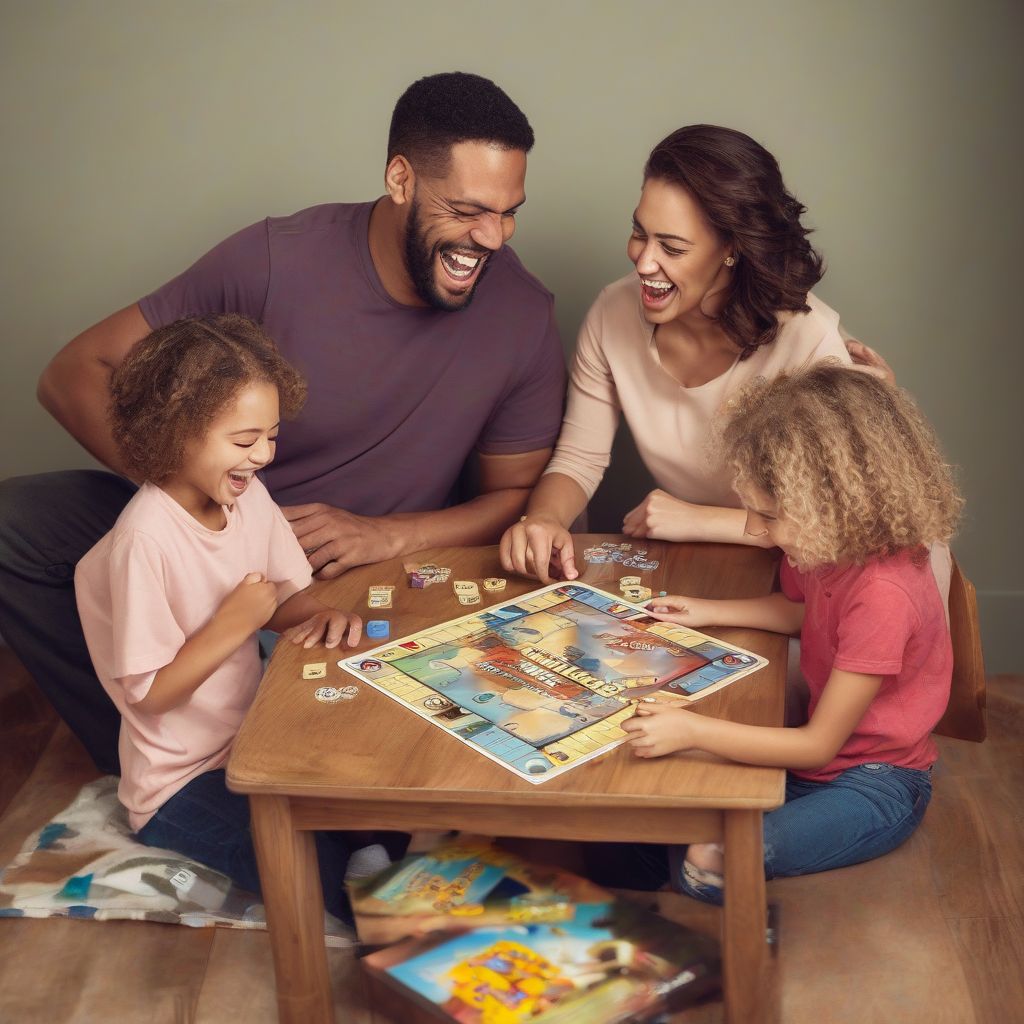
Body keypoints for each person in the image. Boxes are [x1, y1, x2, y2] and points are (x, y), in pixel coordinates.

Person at [1, 71, 565, 773]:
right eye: (467, 209)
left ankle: (236, 757)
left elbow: (514, 499)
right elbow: (72, 373)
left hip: (347, 577)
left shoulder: (523, 316)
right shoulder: (275, 259)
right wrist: (192, 509)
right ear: (400, 179)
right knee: (12, 523)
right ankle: (157, 758)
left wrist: (389, 533)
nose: (492, 237)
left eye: (509, 212)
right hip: (211, 534)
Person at [616, 364, 963, 904]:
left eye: (768, 516)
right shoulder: (829, 546)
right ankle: (649, 854)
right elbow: (801, 615)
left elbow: (816, 745)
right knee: (651, 803)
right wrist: (707, 610)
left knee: (708, 864)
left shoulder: (884, 593)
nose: (755, 531)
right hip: (813, 759)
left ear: (831, 506)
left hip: (875, 782)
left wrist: (693, 731)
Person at [74, 314, 383, 921]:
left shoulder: (245, 494)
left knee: (386, 807)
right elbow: (152, 694)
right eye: (244, 442)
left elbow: (285, 599)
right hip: (180, 785)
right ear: (175, 433)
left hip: (256, 742)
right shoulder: (145, 541)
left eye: (271, 436)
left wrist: (321, 613)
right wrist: (234, 622)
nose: (263, 457)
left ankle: (379, 856)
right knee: (310, 871)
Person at [501, 124, 867, 583]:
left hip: (813, 584)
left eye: (672, 247)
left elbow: (841, 522)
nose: (643, 261)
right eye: (640, 232)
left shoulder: (807, 342)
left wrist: (699, 520)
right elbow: (578, 458)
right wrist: (544, 519)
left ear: (731, 249)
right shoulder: (612, 313)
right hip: (703, 572)